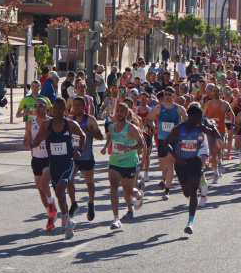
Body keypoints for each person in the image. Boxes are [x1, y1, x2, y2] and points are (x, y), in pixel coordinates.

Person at [31, 98, 86, 240]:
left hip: (67, 163)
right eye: (55, 107)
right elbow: (34, 143)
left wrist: (79, 150)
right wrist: (42, 137)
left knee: (60, 191)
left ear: (64, 109)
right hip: (53, 165)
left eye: (60, 108)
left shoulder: (70, 124)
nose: (57, 110)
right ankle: (68, 221)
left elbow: (82, 136)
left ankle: (65, 221)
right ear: (52, 109)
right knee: (60, 195)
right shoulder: (46, 124)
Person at [162, 104, 220, 235]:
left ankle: (190, 223)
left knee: (193, 191)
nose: (200, 120)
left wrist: (211, 126)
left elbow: (216, 135)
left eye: (201, 118)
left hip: (194, 161)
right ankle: (192, 197)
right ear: (190, 116)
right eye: (198, 118)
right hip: (181, 163)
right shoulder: (179, 129)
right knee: (187, 193)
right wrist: (176, 157)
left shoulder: (199, 127)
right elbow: (165, 143)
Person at [104, 103, 145, 231]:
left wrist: (127, 147)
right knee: (114, 188)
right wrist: (105, 147)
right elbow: (111, 138)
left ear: (127, 113)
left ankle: (139, 195)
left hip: (129, 164)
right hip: (114, 163)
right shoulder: (112, 127)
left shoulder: (131, 128)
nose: (119, 113)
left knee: (128, 191)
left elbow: (142, 144)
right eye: (118, 111)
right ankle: (116, 219)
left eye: (122, 111)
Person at [145, 87, 186, 201]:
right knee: (163, 165)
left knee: (170, 163)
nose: (167, 96)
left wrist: (181, 129)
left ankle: (167, 189)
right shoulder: (158, 108)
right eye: (166, 94)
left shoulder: (179, 109)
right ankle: (165, 179)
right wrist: (154, 128)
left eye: (169, 94)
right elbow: (148, 120)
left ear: (174, 96)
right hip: (162, 139)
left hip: (174, 140)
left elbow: (187, 120)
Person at [67, 96, 103, 221]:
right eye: (74, 105)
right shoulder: (70, 120)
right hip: (74, 156)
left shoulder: (90, 119)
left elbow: (100, 137)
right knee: (69, 179)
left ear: (84, 107)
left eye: (79, 105)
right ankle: (74, 203)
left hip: (86, 156)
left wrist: (87, 131)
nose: (76, 107)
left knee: (89, 183)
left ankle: (91, 203)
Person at [24, 98, 57, 231]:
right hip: (36, 158)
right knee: (40, 190)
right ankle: (50, 214)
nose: (37, 108)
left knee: (44, 184)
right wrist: (27, 141)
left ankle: (52, 204)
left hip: (49, 158)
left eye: (40, 105)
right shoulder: (30, 123)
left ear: (46, 108)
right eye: (35, 106)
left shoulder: (52, 122)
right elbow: (26, 142)